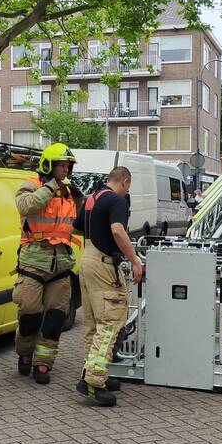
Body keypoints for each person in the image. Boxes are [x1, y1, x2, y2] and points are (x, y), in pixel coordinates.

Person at [73, 166, 144, 407]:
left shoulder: (93, 197)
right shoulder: (116, 200)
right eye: (128, 187)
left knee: (93, 322)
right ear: (125, 181)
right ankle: (93, 382)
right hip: (103, 263)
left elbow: (77, 226)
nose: (127, 192)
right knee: (111, 321)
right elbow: (117, 230)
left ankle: (93, 371)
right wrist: (135, 261)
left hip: (87, 258)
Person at [12, 143, 82, 384]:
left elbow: (78, 223)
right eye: (61, 165)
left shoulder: (71, 193)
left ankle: (43, 365)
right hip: (33, 264)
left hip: (61, 265)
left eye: (68, 166)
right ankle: (25, 354)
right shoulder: (32, 185)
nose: (65, 170)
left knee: (54, 320)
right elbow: (26, 206)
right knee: (29, 316)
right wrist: (52, 186)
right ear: (48, 166)